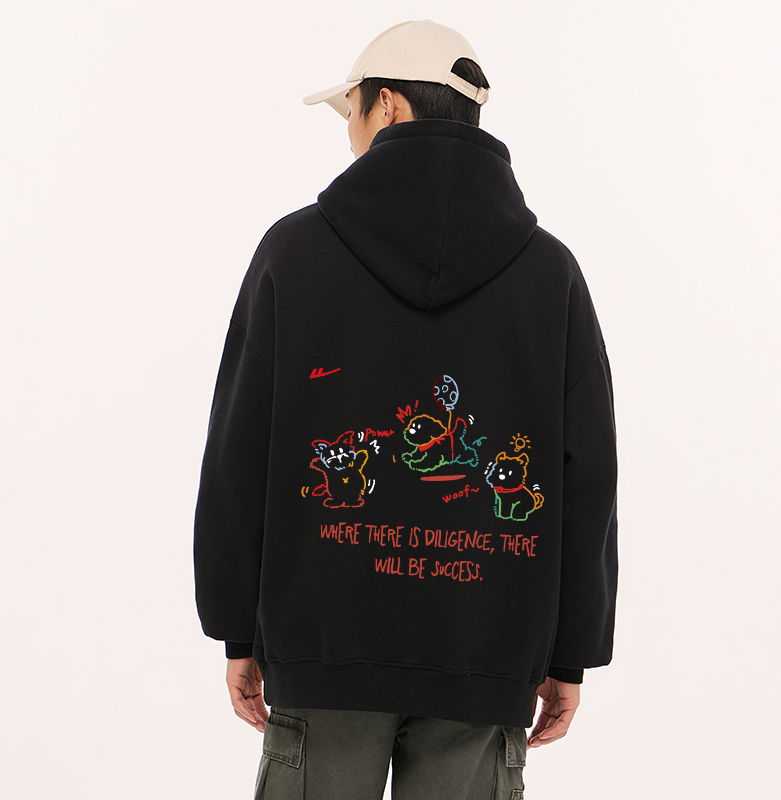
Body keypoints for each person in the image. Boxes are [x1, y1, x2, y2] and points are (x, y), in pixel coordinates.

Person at [193, 18, 618, 800]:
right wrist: (571, 652)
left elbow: (236, 453)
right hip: (485, 650)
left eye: (351, 113)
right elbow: (587, 476)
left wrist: (235, 627)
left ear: (387, 105)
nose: (350, 136)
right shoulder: (551, 274)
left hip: (322, 643)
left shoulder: (294, 252)